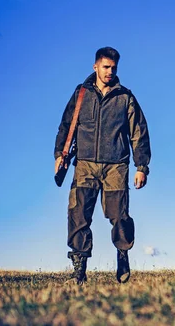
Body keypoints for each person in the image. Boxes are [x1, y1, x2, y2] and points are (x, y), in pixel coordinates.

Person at [54, 46, 151, 284]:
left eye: (113, 68)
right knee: (78, 215)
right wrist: (59, 153)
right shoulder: (81, 94)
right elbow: (66, 125)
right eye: (106, 67)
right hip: (84, 164)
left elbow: (139, 132)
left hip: (116, 166)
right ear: (95, 66)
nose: (110, 71)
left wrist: (142, 167)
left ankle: (122, 253)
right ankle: (79, 269)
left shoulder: (125, 96)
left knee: (119, 215)